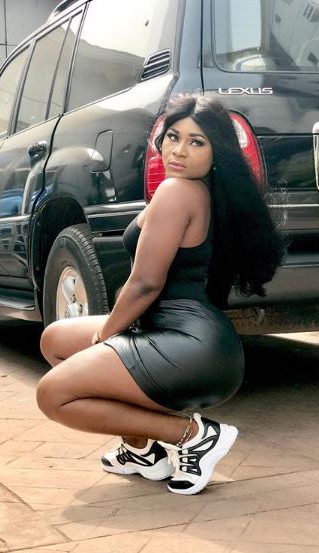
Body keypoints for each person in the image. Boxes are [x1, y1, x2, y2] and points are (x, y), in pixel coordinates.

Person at [37, 93, 287, 496]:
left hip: (188, 346)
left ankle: (193, 436)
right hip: (198, 342)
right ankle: (141, 450)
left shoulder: (178, 192)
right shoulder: (205, 192)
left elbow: (145, 284)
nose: (179, 150)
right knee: (56, 339)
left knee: (53, 395)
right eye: (173, 137)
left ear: (217, 151)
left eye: (196, 142)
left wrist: (104, 338)